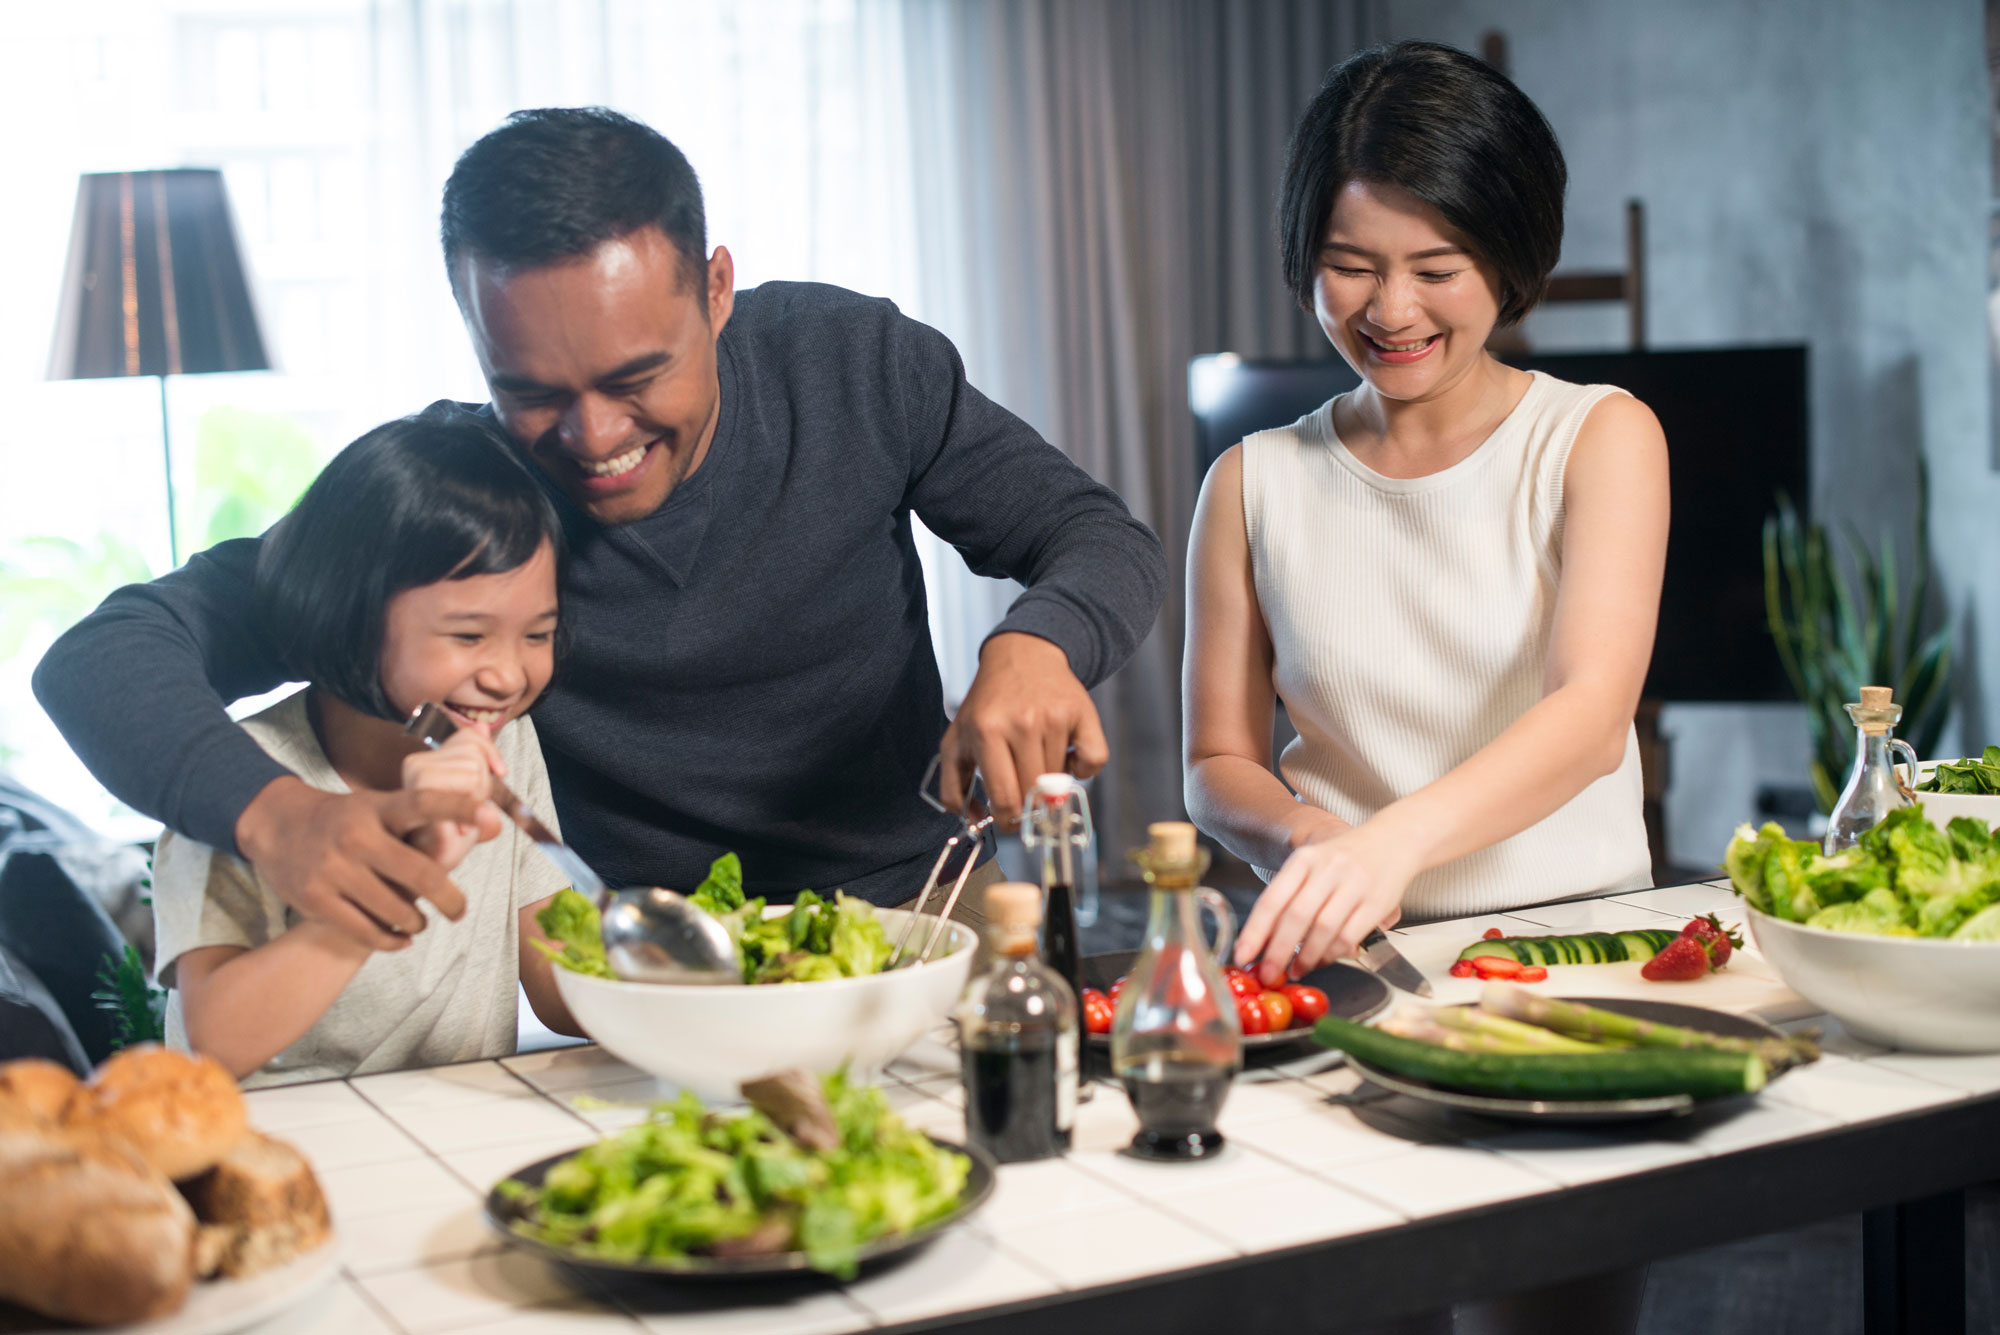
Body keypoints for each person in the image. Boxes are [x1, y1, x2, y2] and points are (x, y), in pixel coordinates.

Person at [36, 108, 1165, 953]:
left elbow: (1094, 535)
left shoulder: (854, 364)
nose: (591, 436)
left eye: (638, 375)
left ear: (715, 289)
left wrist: (1041, 642)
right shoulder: (455, 504)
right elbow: (102, 656)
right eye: (531, 388)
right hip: (644, 963)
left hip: (917, 909)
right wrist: (273, 818)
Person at [1183, 40, 1665, 1335]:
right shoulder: (1250, 481)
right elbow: (1216, 759)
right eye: (1353, 265)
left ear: (1507, 259)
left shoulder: (1598, 436)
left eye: (1434, 267)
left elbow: (1589, 710)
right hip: (1345, 968)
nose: (1391, 306)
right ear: (1306, 260)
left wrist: (1395, 838)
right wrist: (1313, 837)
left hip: (1568, 968)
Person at [151, 403, 582, 1086]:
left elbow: (555, 976)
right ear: (351, 614)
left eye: (537, 635)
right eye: (468, 636)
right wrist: (396, 879)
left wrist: (688, 977)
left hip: (452, 1133)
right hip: (282, 1158)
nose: (508, 674)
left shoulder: (506, 742)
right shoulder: (238, 781)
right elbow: (216, 1041)